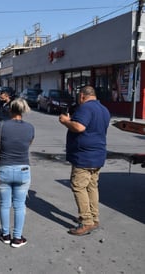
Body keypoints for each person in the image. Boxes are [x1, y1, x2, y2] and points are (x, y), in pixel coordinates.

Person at [59, 85, 110, 236]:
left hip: (84, 157)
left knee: (78, 186)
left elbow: (79, 127)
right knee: (91, 187)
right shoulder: (104, 110)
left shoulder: (85, 108)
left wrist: (65, 121)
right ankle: (94, 218)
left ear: (82, 96)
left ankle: (86, 221)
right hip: (98, 155)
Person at [0, 98, 34, 248]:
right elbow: (28, 144)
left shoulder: (2, 125)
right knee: (19, 205)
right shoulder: (30, 128)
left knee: (4, 204)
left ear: (10, 110)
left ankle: (5, 234)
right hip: (23, 170)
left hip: (4, 168)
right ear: (23, 111)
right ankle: (17, 238)